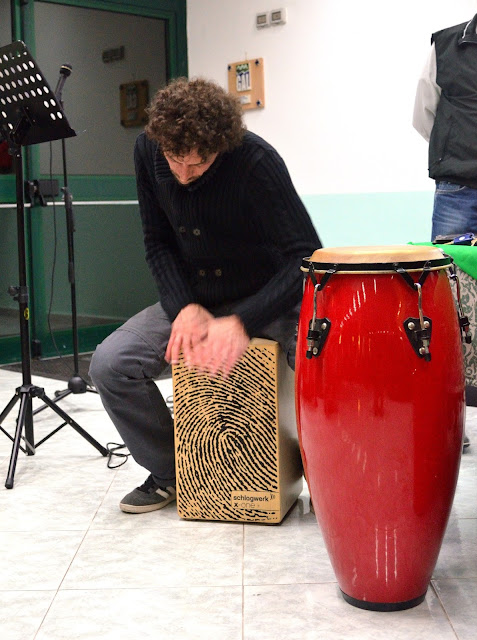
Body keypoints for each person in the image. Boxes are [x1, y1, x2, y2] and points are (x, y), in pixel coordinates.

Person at [89, 77, 321, 514]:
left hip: (266, 294)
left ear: (221, 145)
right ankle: (171, 473)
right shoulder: (147, 150)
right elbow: (157, 241)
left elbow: (304, 258)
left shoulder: (256, 161)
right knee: (111, 364)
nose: (182, 174)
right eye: (174, 161)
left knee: (318, 362)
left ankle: (327, 478)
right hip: (196, 297)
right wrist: (184, 307)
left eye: (197, 164)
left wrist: (243, 321)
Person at [413, 10, 477, 241]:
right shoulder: (445, 45)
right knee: (451, 273)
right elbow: (424, 114)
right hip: (456, 190)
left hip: (455, 187)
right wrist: (453, 148)